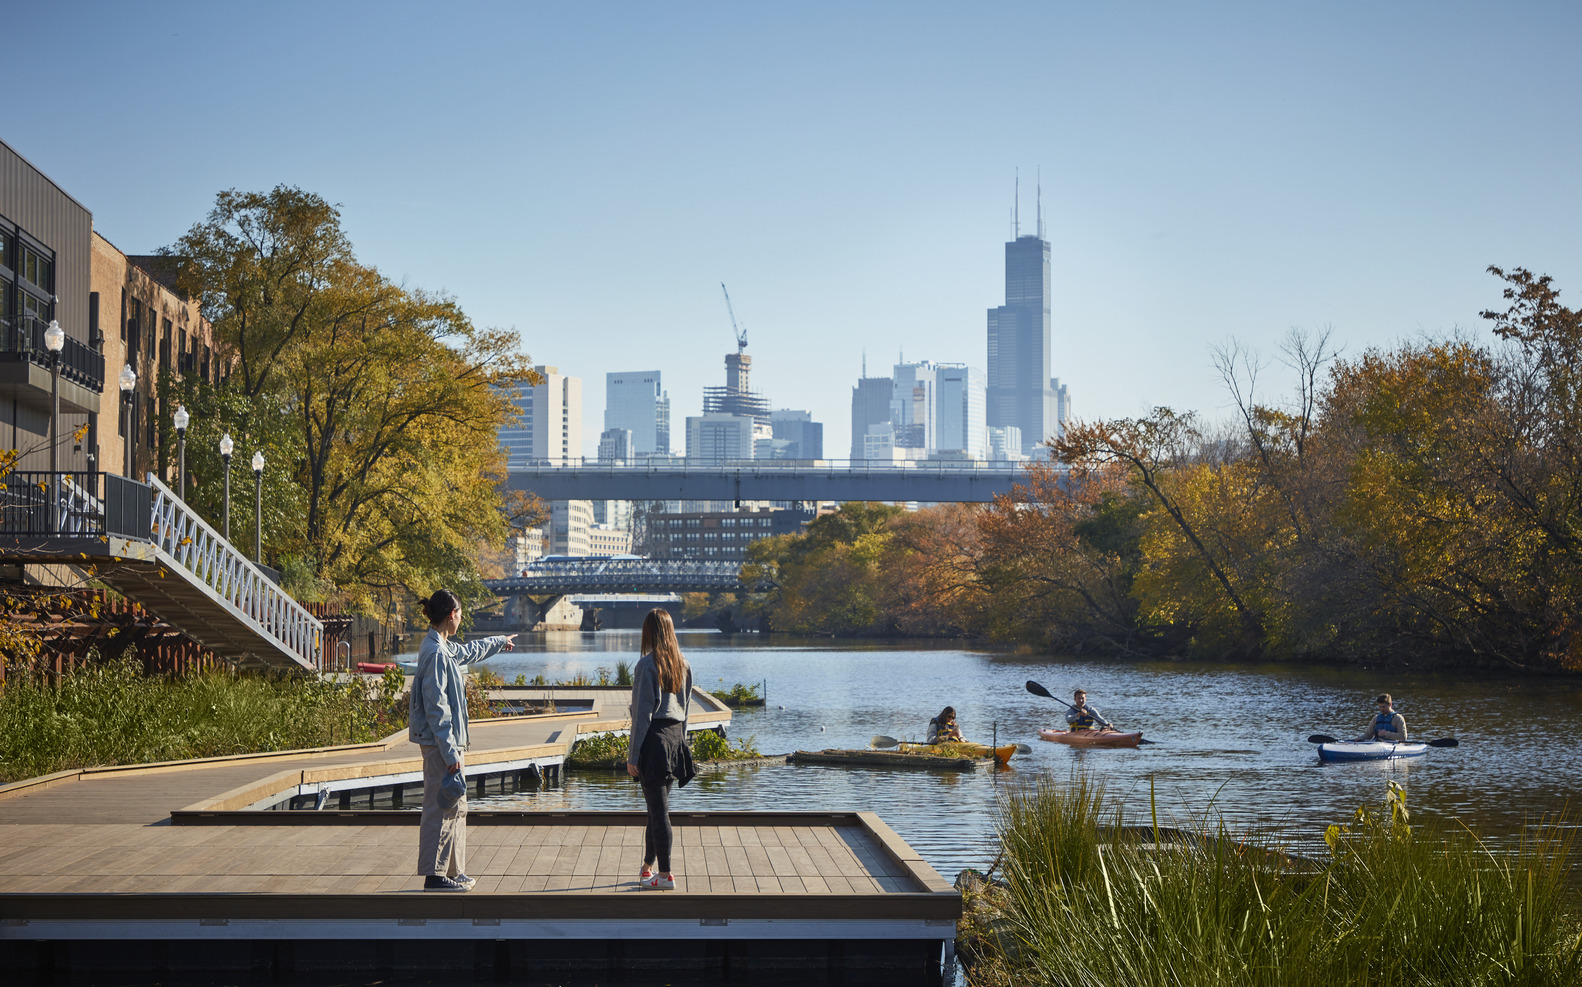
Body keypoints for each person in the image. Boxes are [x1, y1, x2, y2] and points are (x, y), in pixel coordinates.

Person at [408, 589, 516, 892]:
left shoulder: (442, 645)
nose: (462, 616)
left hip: (449, 743)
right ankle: (434, 875)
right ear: (450, 614)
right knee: (440, 806)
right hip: (441, 744)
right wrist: (450, 752)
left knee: (456, 805)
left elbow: (469, 651)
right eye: (460, 611)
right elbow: (436, 708)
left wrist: (498, 642)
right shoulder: (435, 653)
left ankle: (452, 872)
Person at [627, 608, 695, 891]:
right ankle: (648, 867)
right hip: (675, 739)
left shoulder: (646, 665)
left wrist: (633, 756)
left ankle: (665, 876)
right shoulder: (684, 664)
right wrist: (682, 744)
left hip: (653, 741)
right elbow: (687, 709)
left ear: (649, 632)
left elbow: (642, 715)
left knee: (659, 812)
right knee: (656, 810)